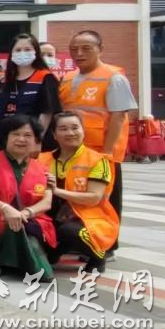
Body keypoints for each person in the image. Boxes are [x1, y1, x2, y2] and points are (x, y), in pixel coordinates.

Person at [0, 115, 56, 279]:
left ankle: (0, 259)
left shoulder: (42, 168)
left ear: (36, 140)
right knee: (14, 227)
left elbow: (47, 202)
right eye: (15, 134)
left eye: (28, 135)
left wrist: (26, 213)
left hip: (28, 219)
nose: (21, 139)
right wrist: (6, 208)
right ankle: (1, 259)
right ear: (6, 137)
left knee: (23, 229)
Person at [36, 112, 119, 272]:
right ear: (54, 134)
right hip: (49, 214)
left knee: (70, 231)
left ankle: (98, 255)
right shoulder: (41, 159)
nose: (70, 133)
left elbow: (94, 198)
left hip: (88, 218)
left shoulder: (97, 160)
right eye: (63, 129)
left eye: (75, 128)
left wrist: (57, 191)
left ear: (83, 131)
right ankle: (57, 250)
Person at [0, 33, 61, 153]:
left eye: (27, 49)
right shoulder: (5, 79)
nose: (22, 53)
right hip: (5, 139)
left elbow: (47, 111)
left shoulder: (45, 77)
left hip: (31, 140)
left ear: (36, 52)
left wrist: (37, 139)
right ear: (11, 53)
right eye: (18, 50)